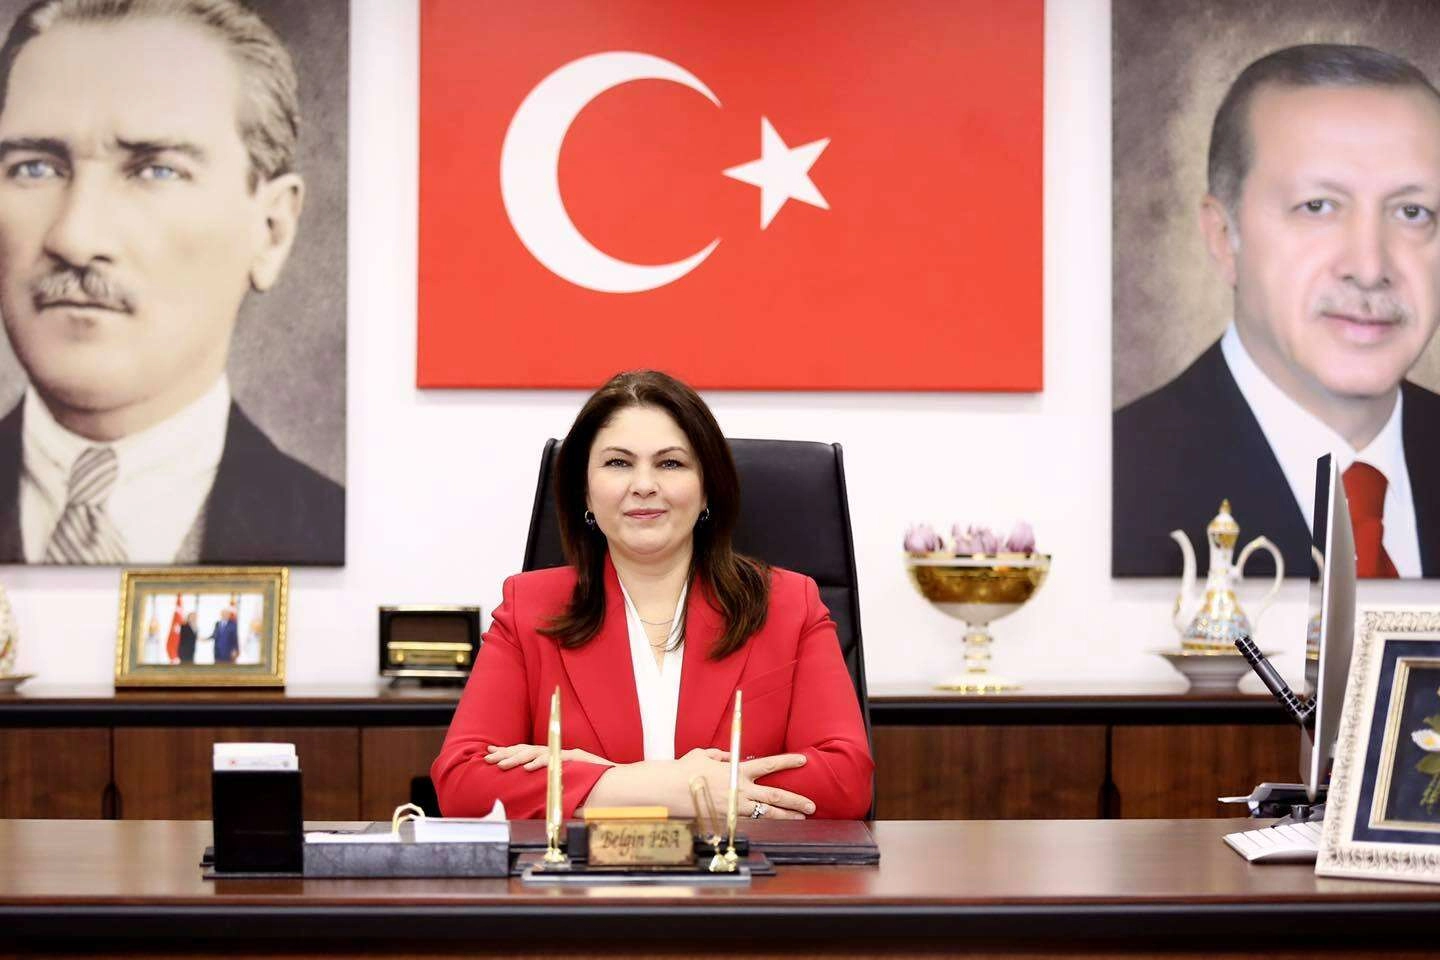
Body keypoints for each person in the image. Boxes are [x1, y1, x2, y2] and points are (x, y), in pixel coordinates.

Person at [432, 370, 873, 820]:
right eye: (618, 463)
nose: (643, 485)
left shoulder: (788, 603)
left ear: (707, 488)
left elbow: (845, 780)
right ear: (585, 490)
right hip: (588, 867)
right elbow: (463, 783)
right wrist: (661, 789)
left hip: (740, 865)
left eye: (671, 464)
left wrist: (595, 783)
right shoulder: (530, 607)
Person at [0, 0, 343, 566]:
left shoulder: (337, 535)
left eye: (156, 170)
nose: (75, 238)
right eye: (35, 168)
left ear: (272, 230)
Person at [1114, 43, 1440, 580]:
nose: (1369, 267)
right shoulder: (1109, 484)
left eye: (1412, 211)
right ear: (1224, 237)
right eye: (1317, 207)